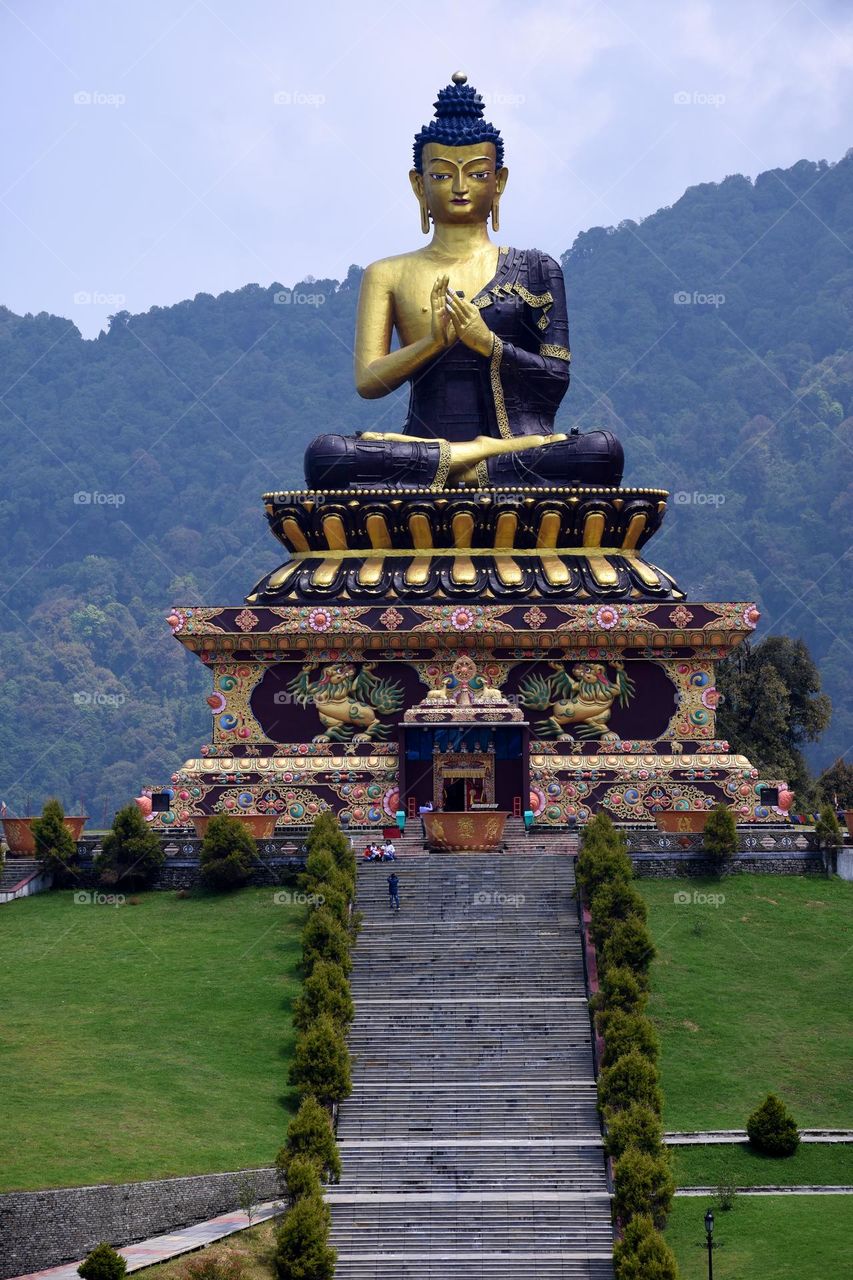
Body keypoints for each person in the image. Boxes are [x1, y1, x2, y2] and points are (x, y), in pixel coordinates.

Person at [303, 73, 622, 492]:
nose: (458, 187)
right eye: (440, 176)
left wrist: (486, 342)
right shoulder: (387, 273)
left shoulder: (537, 268)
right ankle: (470, 460)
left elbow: (556, 376)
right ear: (418, 184)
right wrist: (433, 343)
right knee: (327, 456)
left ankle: (455, 468)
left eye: (475, 174)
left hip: (520, 446)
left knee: (601, 452)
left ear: (499, 182)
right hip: (425, 443)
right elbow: (368, 382)